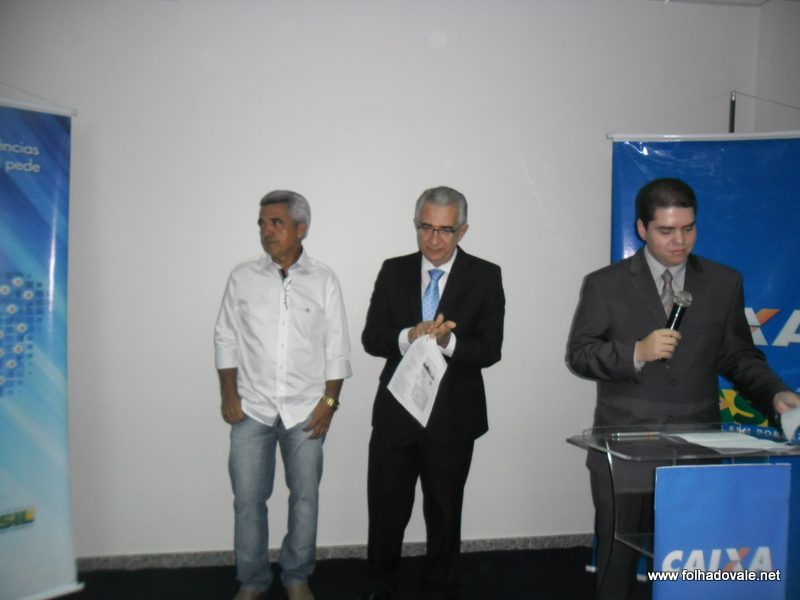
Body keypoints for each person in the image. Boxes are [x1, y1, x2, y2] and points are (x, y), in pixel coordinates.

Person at [565, 177, 800, 600]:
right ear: (642, 228)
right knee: (617, 569)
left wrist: (775, 395)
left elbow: (738, 356)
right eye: (666, 230)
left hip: (697, 450)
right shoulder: (604, 283)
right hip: (625, 448)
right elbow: (580, 355)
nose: (680, 241)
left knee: (693, 570)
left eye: (689, 228)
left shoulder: (723, 282)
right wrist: (635, 351)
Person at [360, 185, 505, 600]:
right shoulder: (394, 270)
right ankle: (380, 586)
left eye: (445, 230)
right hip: (397, 413)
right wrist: (409, 336)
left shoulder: (485, 275)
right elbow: (372, 338)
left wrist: (447, 342)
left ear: (463, 230)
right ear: (416, 225)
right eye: (426, 228)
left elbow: (490, 349)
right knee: (386, 511)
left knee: (444, 512)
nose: (434, 240)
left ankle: (441, 588)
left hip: (453, 417)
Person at [214, 190, 352, 600]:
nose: (266, 231)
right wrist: (229, 395)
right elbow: (225, 337)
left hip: (306, 411)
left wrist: (330, 404)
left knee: (305, 499)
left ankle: (296, 577)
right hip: (252, 410)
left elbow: (337, 347)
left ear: (301, 228)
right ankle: (252, 581)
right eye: (262, 224)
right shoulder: (242, 277)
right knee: (247, 501)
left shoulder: (324, 280)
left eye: (276, 223)